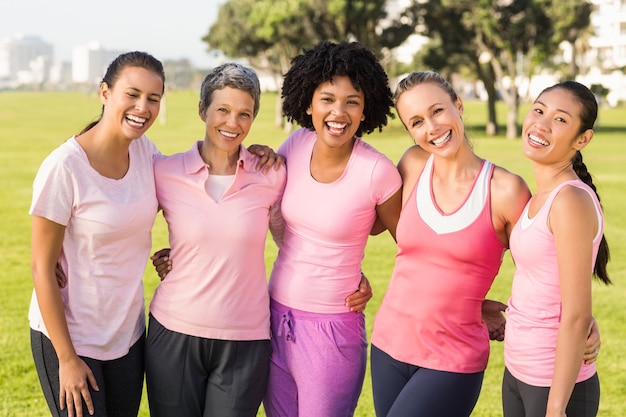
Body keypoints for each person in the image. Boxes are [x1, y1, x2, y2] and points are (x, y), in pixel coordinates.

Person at [369, 71, 601, 417]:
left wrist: (584, 319)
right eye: (416, 121)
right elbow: (412, 250)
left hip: (453, 356)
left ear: (458, 105)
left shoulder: (507, 191)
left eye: (437, 111)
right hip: (388, 344)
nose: (431, 127)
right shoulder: (413, 165)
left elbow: (544, 258)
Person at [262, 41, 403, 417]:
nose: (338, 112)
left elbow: (413, 246)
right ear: (308, 104)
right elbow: (269, 212)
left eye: (352, 101)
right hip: (274, 316)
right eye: (327, 99)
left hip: (332, 330)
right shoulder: (294, 143)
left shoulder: (378, 172)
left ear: (365, 110)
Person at [29, 51, 165, 417]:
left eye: (153, 98)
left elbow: (191, 198)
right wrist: (67, 359)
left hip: (127, 335)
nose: (143, 107)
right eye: (132, 94)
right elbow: (42, 268)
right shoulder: (64, 167)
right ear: (105, 92)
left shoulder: (146, 153)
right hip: (71, 338)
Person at [502, 81, 611, 417]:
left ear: (582, 139)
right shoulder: (541, 197)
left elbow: (577, 316)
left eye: (560, 119)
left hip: (554, 386)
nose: (541, 124)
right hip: (518, 373)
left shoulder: (570, 201)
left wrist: (555, 407)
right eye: (539, 110)